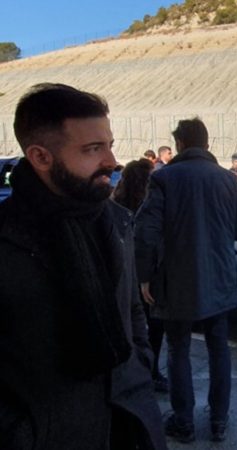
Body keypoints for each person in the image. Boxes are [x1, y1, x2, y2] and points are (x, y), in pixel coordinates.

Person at [0, 83, 167, 449]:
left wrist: (139, 367)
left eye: (109, 144)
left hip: (129, 426)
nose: (111, 160)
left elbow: (133, 315)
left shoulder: (118, 222)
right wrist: (20, 432)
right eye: (93, 149)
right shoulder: (7, 238)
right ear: (41, 157)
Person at [135, 117, 237, 444]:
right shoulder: (230, 180)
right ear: (207, 143)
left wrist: (144, 277)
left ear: (180, 144)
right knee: (219, 349)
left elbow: (146, 232)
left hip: (176, 279)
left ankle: (183, 422)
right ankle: (219, 421)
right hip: (221, 278)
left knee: (179, 349)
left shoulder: (164, 178)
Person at [112, 158, 169, 393]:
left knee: (128, 323)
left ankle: (132, 369)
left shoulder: (114, 205)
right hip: (146, 275)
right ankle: (151, 370)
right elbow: (149, 243)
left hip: (123, 275)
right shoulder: (151, 205)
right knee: (153, 326)